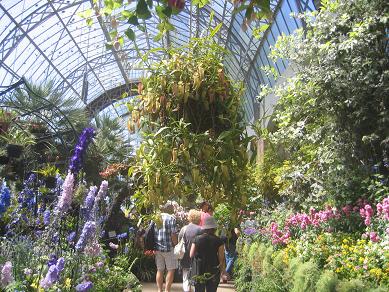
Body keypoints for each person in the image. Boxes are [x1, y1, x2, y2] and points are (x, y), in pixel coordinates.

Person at [190, 216, 226, 292]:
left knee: (199, 290)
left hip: (199, 269)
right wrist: (223, 271)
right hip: (213, 269)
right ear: (214, 228)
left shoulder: (196, 239)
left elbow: (191, 254)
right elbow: (221, 258)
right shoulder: (219, 241)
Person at [154, 202, 178, 292]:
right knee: (171, 269)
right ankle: (167, 290)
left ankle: (159, 290)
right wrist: (176, 245)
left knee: (159, 270)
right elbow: (173, 234)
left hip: (157, 248)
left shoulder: (156, 218)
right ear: (169, 209)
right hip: (169, 248)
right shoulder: (171, 218)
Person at [178, 209, 202, 292]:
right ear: (198, 218)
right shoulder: (200, 230)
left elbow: (179, 241)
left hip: (184, 256)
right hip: (196, 257)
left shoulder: (183, 229)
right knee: (196, 278)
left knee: (185, 278)